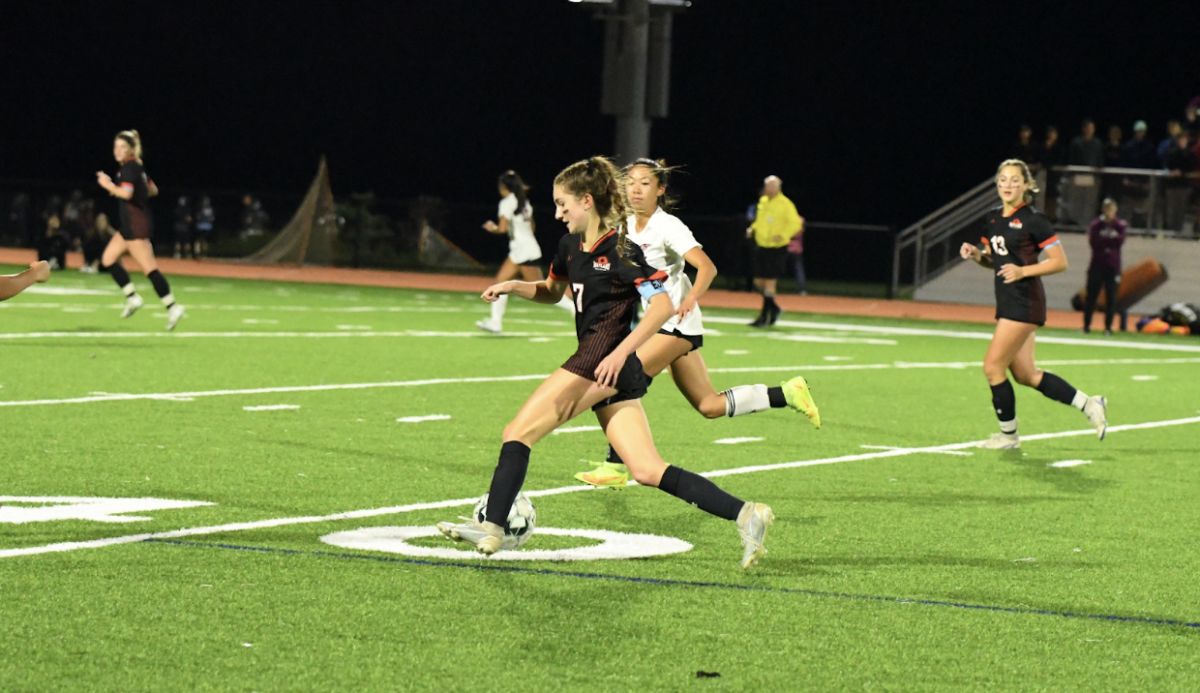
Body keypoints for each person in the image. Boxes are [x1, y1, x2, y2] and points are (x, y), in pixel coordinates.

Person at [436, 157, 775, 570]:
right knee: (648, 470)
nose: (558, 213)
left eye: (563, 205)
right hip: (607, 367)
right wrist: (514, 287)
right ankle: (747, 514)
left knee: (517, 432)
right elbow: (552, 290)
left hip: (599, 361)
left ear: (586, 200)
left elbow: (663, 304)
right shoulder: (567, 246)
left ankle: (493, 527)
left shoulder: (620, 249)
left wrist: (619, 352)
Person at [574, 158, 819, 490]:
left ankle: (616, 467)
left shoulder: (669, 226)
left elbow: (707, 267)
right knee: (710, 405)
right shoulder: (625, 225)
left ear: (660, 190)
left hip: (676, 322)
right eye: (630, 181)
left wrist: (690, 299)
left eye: (645, 183)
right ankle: (787, 393)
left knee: (618, 382)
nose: (635, 188)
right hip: (661, 322)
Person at [958, 159, 1107, 450]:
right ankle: (1090, 404)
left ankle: (1008, 437)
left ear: (1027, 185)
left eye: (1015, 180)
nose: (1008, 185)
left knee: (992, 367)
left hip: (1025, 301)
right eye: (1003, 179)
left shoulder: (1034, 219)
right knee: (1026, 375)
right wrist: (977, 255)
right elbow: (996, 262)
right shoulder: (991, 218)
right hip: (1009, 301)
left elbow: (1059, 262)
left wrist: (1023, 271)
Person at [95, 130, 186, 330]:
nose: (117, 151)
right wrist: (134, 195)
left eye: (122, 147)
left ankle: (173, 307)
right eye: (115, 147)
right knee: (108, 259)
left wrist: (108, 185)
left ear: (130, 149)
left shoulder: (130, 167)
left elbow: (126, 194)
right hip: (130, 224)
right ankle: (133, 298)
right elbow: (152, 190)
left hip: (136, 226)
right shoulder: (136, 167)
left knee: (150, 269)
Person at [475, 170, 573, 333]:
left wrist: (492, 228)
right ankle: (495, 322)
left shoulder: (507, 202)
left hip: (523, 250)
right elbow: (532, 227)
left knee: (546, 291)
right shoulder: (524, 202)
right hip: (524, 248)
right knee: (500, 283)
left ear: (504, 187)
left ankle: (575, 308)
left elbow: (502, 228)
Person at [746, 175, 802, 326]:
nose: (770, 190)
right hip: (761, 245)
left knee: (770, 282)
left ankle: (764, 317)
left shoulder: (785, 204)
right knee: (758, 281)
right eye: (768, 187)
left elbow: (796, 224)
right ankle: (774, 308)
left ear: (779, 188)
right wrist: (753, 229)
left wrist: (783, 235)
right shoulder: (763, 202)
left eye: (773, 187)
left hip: (776, 248)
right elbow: (761, 220)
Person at [1083, 199, 1127, 335]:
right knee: (1091, 296)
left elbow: (1119, 241)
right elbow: (1094, 241)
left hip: (1112, 266)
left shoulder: (1120, 225)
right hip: (1097, 265)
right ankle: (1086, 326)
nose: (1109, 212)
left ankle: (1108, 327)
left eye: (1111, 209)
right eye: (1107, 209)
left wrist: (1107, 241)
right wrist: (1109, 241)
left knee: (1111, 298)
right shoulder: (1096, 225)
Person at [172, 195, 193, 259]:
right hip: (184, 227)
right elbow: (189, 219)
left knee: (178, 240)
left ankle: (177, 253)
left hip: (178, 226)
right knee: (186, 241)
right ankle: (187, 254)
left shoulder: (177, 209)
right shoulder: (186, 209)